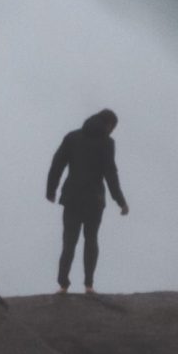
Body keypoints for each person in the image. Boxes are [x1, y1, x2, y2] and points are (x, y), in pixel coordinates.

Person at [45, 108, 128, 293]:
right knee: (91, 240)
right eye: (113, 127)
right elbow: (110, 174)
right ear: (109, 124)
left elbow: (57, 163)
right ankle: (89, 285)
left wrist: (51, 190)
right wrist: (120, 201)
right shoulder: (107, 143)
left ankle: (63, 285)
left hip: (72, 197)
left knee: (69, 242)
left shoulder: (72, 137)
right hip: (94, 200)